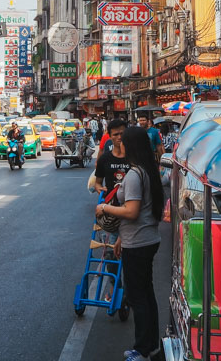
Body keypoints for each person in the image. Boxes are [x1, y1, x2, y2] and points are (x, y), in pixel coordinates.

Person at [94, 126, 164, 361]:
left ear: (131, 145)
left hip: (139, 243)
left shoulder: (135, 174)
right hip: (144, 238)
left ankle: (142, 349)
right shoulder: (147, 170)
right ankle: (152, 345)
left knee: (138, 297)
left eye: (124, 140)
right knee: (146, 293)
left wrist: (104, 207)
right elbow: (144, 211)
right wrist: (122, 237)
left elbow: (132, 211)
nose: (119, 143)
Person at [93, 119, 130, 194]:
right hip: (110, 203)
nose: (119, 137)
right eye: (115, 134)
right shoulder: (104, 159)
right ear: (110, 136)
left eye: (122, 133)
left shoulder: (135, 157)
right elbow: (98, 182)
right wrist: (99, 188)